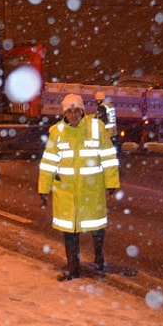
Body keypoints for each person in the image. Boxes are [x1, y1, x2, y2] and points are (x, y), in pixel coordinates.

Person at [38, 93, 120, 281]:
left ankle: (99, 257)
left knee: (96, 227)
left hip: (91, 189)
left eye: (76, 111)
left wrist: (112, 182)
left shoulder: (96, 128)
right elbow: (49, 162)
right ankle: (73, 269)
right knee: (70, 231)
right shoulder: (57, 132)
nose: (73, 115)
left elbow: (108, 156)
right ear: (64, 113)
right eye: (69, 111)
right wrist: (43, 188)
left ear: (82, 111)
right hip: (66, 192)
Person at [94, 91, 121, 156]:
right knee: (112, 150)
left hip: (106, 133)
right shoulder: (110, 105)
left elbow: (100, 120)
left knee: (106, 151)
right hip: (113, 132)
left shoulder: (101, 107)